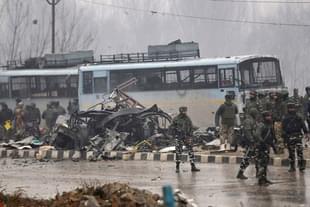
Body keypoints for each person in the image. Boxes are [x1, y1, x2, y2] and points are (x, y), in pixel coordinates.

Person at [169, 106, 200, 173]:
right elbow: (171, 128)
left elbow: (191, 127)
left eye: (185, 111)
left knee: (191, 151)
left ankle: (193, 166)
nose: (184, 112)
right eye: (183, 111)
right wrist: (175, 134)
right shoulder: (176, 119)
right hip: (179, 137)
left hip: (186, 137)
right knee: (178, 152)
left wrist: (190, 136)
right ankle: (177, 167)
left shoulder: (187, 118)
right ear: (180, 111)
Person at [282, 102, 308, 172]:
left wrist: (306, 133)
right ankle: (292, 166)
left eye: (292, 108)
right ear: (288, 109)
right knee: (291, 153)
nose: (292, 109)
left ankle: (301, 167)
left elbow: (303, 125)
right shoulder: (285, 118)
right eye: (290, 108)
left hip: (298, 135)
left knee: (299, 152)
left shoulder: (298, 117)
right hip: (290, 136)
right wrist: (284, 138)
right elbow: (283, 128)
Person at [255, 111, 276, 186]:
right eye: (267, 116)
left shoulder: (270, 125)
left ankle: (264, 178)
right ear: (264, 117)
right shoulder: (261, 125)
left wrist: (273, 145)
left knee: (265, 163)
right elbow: (257, 135)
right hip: (261, 147)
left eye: (269, 116)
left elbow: (272, 136)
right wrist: (262, 142)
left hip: (267, 146)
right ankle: (261, 180)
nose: (269, 117)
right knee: (261, 163)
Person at [236, 108, 259, 180]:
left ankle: (259, 173)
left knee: (257, 158)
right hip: (250, 143)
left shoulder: (253, 120)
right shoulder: (248, 121)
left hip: (253, 142)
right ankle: (240, 173)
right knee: (247, 158)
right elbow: (248, 132)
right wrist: (252, 141)